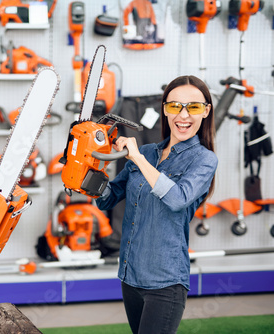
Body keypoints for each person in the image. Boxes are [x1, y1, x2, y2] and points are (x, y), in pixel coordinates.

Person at [96, 75, 218, 333]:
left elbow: (177, 199)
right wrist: (91, 167)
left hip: (165, 282)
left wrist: (138, 159)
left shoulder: (204, 160)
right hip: (130, 276)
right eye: (175, 106)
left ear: (206, 111)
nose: (183, 115)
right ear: (165, 108)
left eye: (193, 107)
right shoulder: (149, 151)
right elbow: (107, 199)